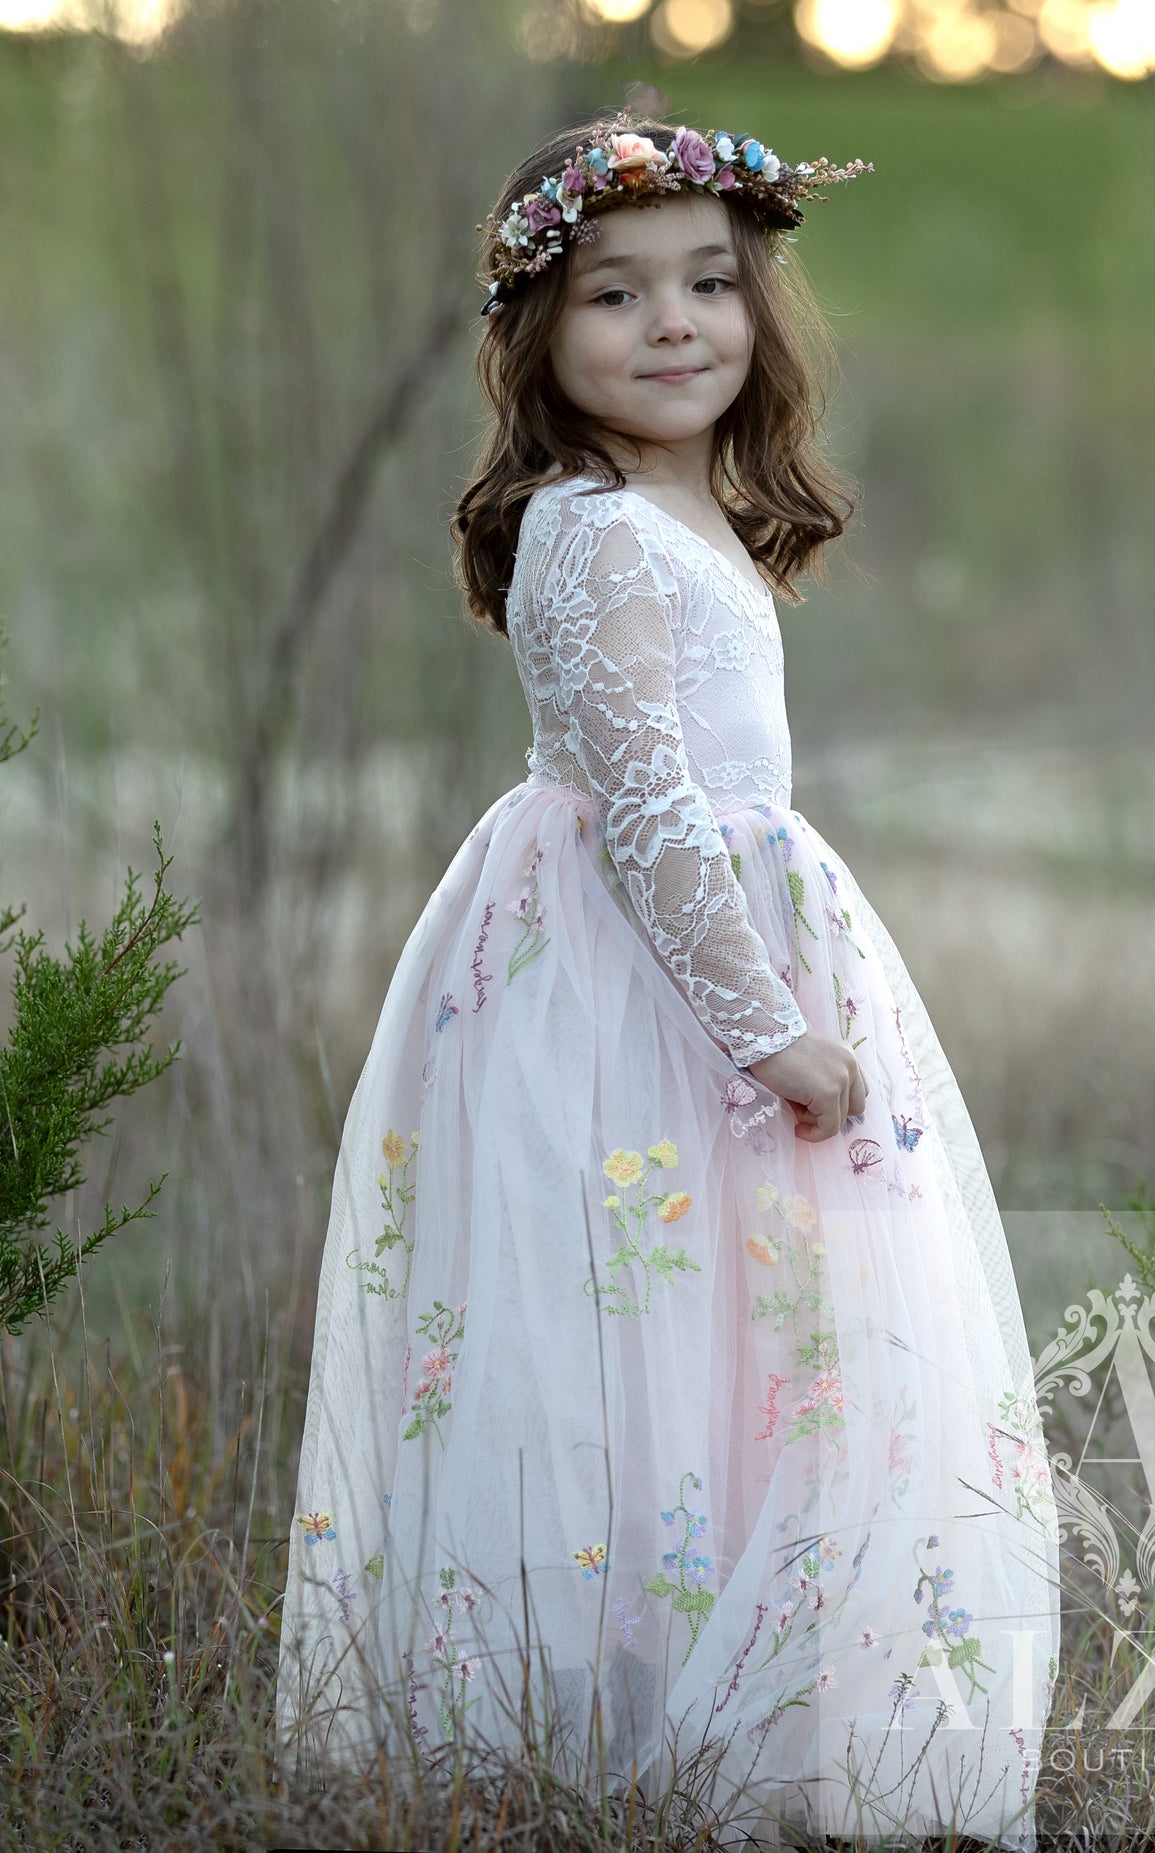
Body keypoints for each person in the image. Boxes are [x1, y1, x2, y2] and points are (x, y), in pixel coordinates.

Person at [275, 110, 1060, 1850]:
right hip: (628, 990)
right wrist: (770, 1028)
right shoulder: (585, 525)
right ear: (537, 334)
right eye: (616, 295)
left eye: (710, 281)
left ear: (761, 310)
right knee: (617, 1332)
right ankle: (593, 1727)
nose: (675, 323)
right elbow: (643, 811)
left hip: (700, 952)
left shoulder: (684, 512)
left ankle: (746, 1713)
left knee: (741, 1339)